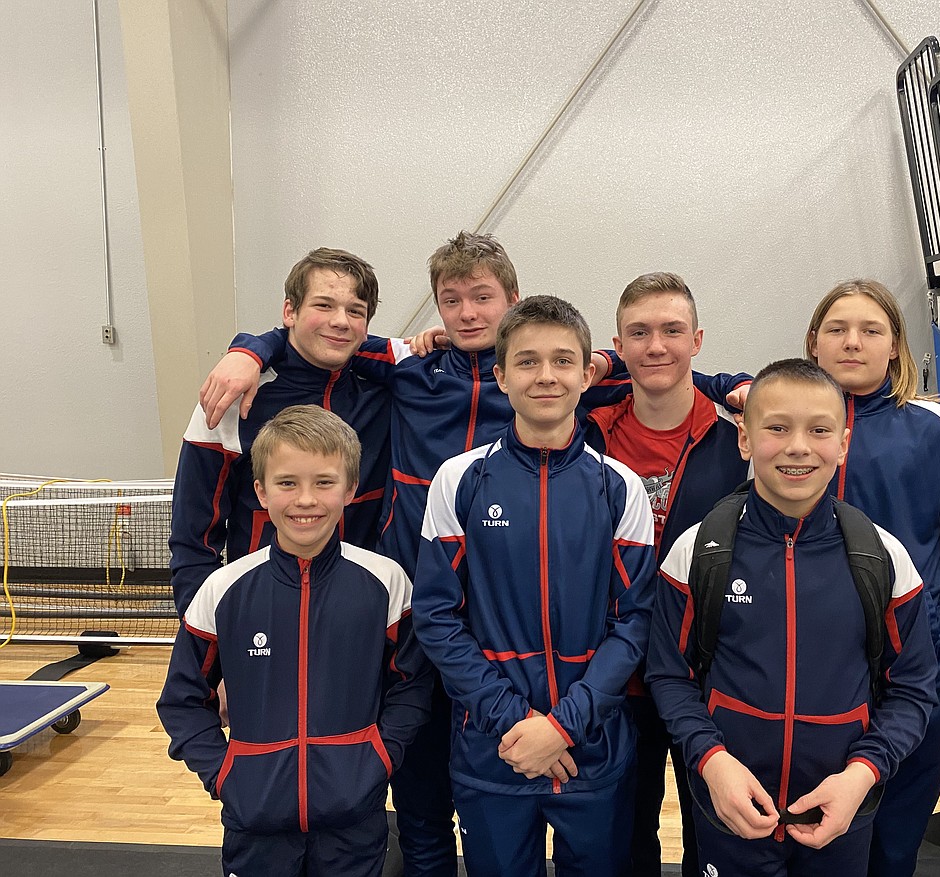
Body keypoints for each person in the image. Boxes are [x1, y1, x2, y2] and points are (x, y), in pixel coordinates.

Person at [198, 233, 750, 877]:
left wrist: (565, 724)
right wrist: (249, 348)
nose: (466, 313)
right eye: (451, 300)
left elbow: (654, 364)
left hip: (587, 718)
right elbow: (323, 337)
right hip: (446, 663)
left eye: (482, 297)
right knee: (422, 802)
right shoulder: (415, 386)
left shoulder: (608, 470)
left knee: (624, 842)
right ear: (503, 370)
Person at [645, 359, 938, 877]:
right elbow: (669, 676)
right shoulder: (698, 551)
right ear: (745, 438)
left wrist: (862, 775)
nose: (798, 446)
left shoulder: (883, 558)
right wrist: (712, 762)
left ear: (843, 444)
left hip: (841, 816)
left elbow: (913, 690)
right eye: (777, 427)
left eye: (819, 430)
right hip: (727, 812)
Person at [413, 295, 656, 877]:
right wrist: (515, 722)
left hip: (590, 747)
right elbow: (437, 618)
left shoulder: (619, 486)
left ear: (586, 373)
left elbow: (636, 621)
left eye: (561, 361)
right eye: (526, 362)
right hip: (493, 746)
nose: (545, 376)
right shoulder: (458, 479)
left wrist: (563, 726)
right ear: (500, 375)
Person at [157, 405, 432, 877]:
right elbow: (182, 702)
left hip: (354, 820)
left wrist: (380, 758)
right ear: (261, 491)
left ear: (349, 489)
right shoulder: (224, 590)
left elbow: (412, 685)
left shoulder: (386, 583)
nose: (306, 500)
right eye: (287, 483)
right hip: (254, 824)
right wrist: (225, 773)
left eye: (324, 482)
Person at [804, 279, 940, 877]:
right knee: (811, 838)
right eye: (837, 329)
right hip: (806, 679)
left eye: (871, 330)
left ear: (894, 345)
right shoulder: (778, 424)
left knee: (893, 847)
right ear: (813, 342)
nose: (852, 342)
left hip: (918, 676)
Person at [584, 272, 749, 877]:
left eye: (672, 330)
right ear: (617, 346)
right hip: (613, 672)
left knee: (717, 834)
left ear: (697, 340)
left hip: (707, 672)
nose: (656, 346)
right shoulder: (585, 434)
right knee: (625, 837)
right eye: (640, 333)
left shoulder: (740, 442)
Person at [170, 247, 394, 619]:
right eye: (323, 305)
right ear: (289, 311)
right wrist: (209, 634)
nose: (340, 321)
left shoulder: (387, 392)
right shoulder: (235, 396)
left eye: (355, 311)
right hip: (262, 611)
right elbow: (194, 534)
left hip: (358, 611)